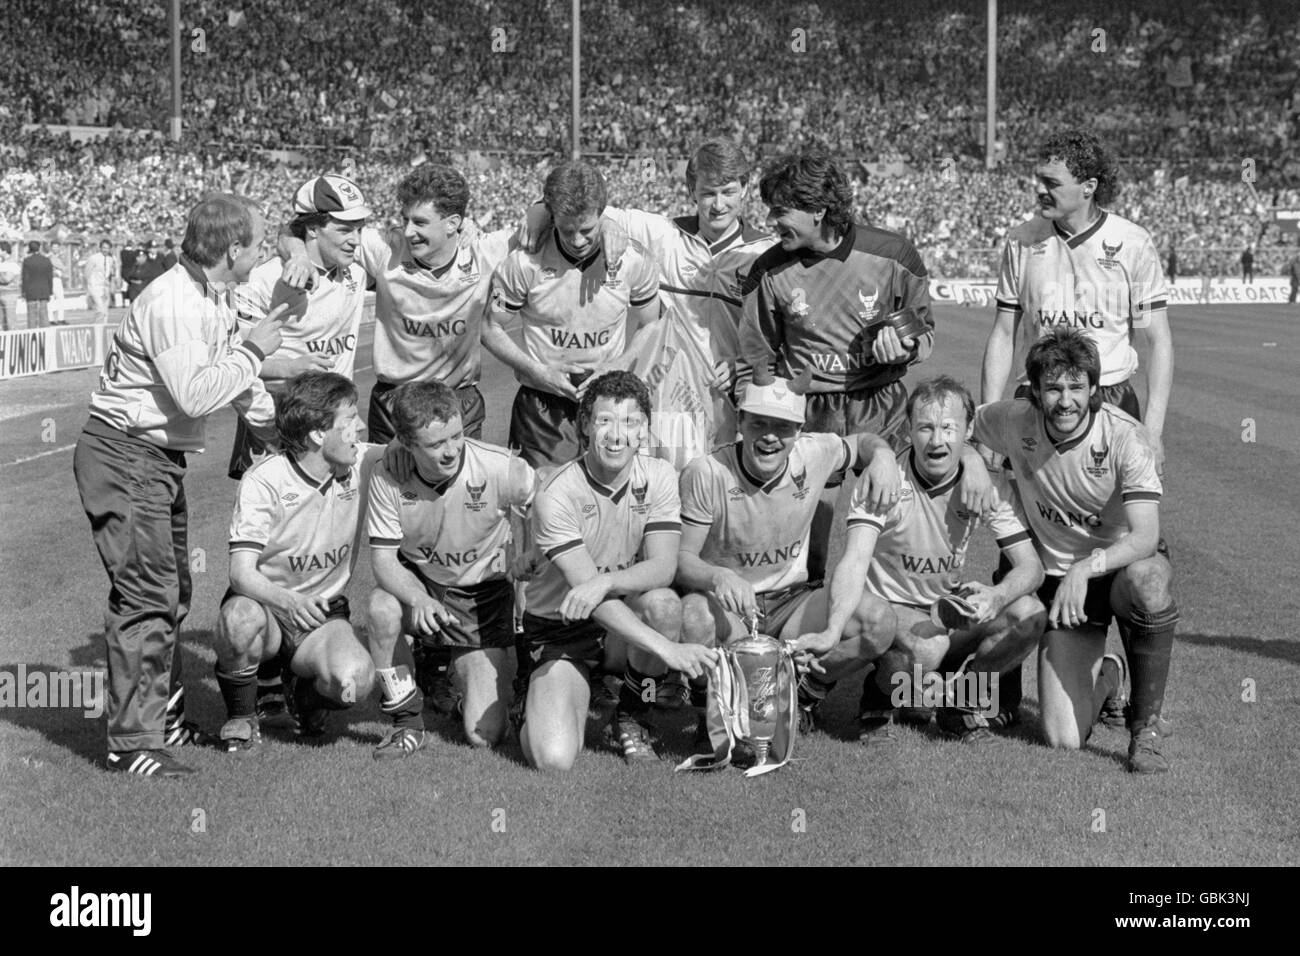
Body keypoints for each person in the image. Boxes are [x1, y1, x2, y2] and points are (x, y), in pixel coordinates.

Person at [72, 193, 288, 778]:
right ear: (234, 247)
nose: (263, 251)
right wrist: (253, 350)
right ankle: (132, 742)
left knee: (170, 590)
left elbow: (238, 385)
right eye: (259, 241)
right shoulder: (175, 300)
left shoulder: (206, 294)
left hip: (153, 458)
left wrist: (277, 433)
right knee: (146, 595)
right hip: (127, 453)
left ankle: (160, 719)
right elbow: (197, 393)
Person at [979, 128, 1174, 721]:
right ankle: (999, 697)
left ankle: (1127, 679)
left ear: (1087, 188)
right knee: (1020, 533)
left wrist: (1153, 429)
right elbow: (1003, 333)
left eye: (1051, 182)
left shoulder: (1132, 243)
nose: (1038, 189)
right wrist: (987, 424)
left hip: (1108, 394)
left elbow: (1158, 341)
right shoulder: (1022, 242)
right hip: (1040, 396)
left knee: (1122, 538)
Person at [799, 376, 1046, 744]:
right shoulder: (885, 482)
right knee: (929, 648)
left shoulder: (984, 485)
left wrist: (996, 596)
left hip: (941, 612)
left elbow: (1031, 567)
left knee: (1028, 615)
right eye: (925, 427)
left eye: (949, 428)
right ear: (909, 430)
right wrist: (834, 628)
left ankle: (956, 706)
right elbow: (852, 562)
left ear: (968, 430)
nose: (937, 440)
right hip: (884, 614)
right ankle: (875, 703)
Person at [974, 329, 1177, 773]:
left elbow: (1145, 536)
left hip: (1115, 571)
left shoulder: (1128, 438)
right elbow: (962, 430)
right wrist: (974, 465)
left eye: (1076, 388)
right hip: (1057, 584)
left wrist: (1086, 569)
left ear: (1093, 390)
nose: (1065, 400)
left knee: (1149, 579)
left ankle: (1146, 729)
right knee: (1063, 739)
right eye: (1053, 388)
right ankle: (1108, 674)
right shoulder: (1012, 419)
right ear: (1035, 392)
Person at [675, 367, 909, 741]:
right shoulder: (706, 472)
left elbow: (863, 440)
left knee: (877, 622)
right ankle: (713, 703)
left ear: (798, 430)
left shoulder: (815, 452)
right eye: (759, 424)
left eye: (783, 427)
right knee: (692, 616)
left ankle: (803, 694)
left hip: (791, 605)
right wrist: (719, 576)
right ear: (741, 421)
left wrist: (882, 456)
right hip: (730, 607)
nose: (770, 436)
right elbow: (681, 560)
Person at [740, 148, 934, 586]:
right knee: (808, 542)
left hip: (879, 402)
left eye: (781, 211)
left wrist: (902, 346)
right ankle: (801, 618)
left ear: (819, 211)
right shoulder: (769, 270)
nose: (772, 222)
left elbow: (923, 334)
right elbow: (756, 356)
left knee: (891, 522)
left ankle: (882, 624)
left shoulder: (893, 255)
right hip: (808, 408)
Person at [518, 370, 716, 770]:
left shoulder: (659, 476)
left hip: (618, 622)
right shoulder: (556, 493)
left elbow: (662, 568)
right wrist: (667, 649)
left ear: (645, 430)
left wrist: (607, 580)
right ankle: (532, 695)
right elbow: (588, 600)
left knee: (663, 605)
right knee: (553, 758)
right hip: (564, 628)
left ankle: (630, 713)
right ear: (586, 426)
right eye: (605, 420)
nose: (617, 434)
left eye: (630, 422)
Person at [280, 167, 515, 446]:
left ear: (453, 223)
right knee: (388, 486)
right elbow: (296, 226)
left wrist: (538, 211)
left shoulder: (484, 252)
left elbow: (557, 216)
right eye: (405, 219)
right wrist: (298, 255)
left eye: (419, 222)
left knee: (458, 487)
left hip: (457, 398)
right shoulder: (385, 249)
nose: (408, 231)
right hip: (394, 399)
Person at [365, 381, 534, 756]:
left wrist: (528, 567)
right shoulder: (386, 474)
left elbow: (546, 508)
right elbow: (383, 561)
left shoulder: (500, 467)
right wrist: (418, 599)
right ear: (406, 444)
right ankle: (407, 722)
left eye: (456, 436)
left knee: (485, 735)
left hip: (482, 598)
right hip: (421, 584)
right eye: (436, 444)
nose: (451, 451)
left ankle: (449, 672)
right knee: (381, 608)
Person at [216, 372, 379, 752]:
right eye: (350, 418)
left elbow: (416, 449)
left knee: (355, 682)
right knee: (238, 621)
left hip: (323, 613)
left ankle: (303, 695)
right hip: (269, 608)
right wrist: (288, 602)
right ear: (319, 435)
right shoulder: (264, 480)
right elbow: (240, 572)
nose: (360, 426)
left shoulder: (365, 462)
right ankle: (241, 717)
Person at [483, 160, 660, 469]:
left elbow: (650, 324)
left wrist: (619, 365)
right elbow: (489, 328)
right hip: (542, 408)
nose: (577, 240)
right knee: (539, 505)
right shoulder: (524, 262)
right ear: (551, 216)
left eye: (587, 230)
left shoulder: (633, 259)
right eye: (567, 231)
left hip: (609, 401)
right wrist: (538, 371)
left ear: (602, 215)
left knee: (612, 504)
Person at [228, 174, 372, 482]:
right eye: (345, 229)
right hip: (276, 421)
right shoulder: (263, 281)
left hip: (337, 420)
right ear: (312, 229)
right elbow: (234, 362)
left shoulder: (356, 275)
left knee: (338, 518)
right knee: (272, 524)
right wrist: (287, 374)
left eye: (359, 230)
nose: (356, 240)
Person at [82, 239, 118, 323]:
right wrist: (87, 290)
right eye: (103, 248)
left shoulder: (110, 259)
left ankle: (103, 330)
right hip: (94, 286)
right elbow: (86, 273)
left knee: (105, 312)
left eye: (107, 248)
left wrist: (111, 285)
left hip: (105, 287)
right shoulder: (93, 258)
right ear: (100, 248)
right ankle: (96, 329)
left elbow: (111, 274)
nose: (105, 250)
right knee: (100, 310)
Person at [21, 241, 53, 329]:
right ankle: (45, 334)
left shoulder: (27, 261)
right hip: (43, 289)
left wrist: (23, 291)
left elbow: (25, 278)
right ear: (39, 248)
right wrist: (50, 291)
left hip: (31, 290)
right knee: (44, 314)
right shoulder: (46, 260)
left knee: (31, 315)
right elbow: (49, 277)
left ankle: (32, 334)